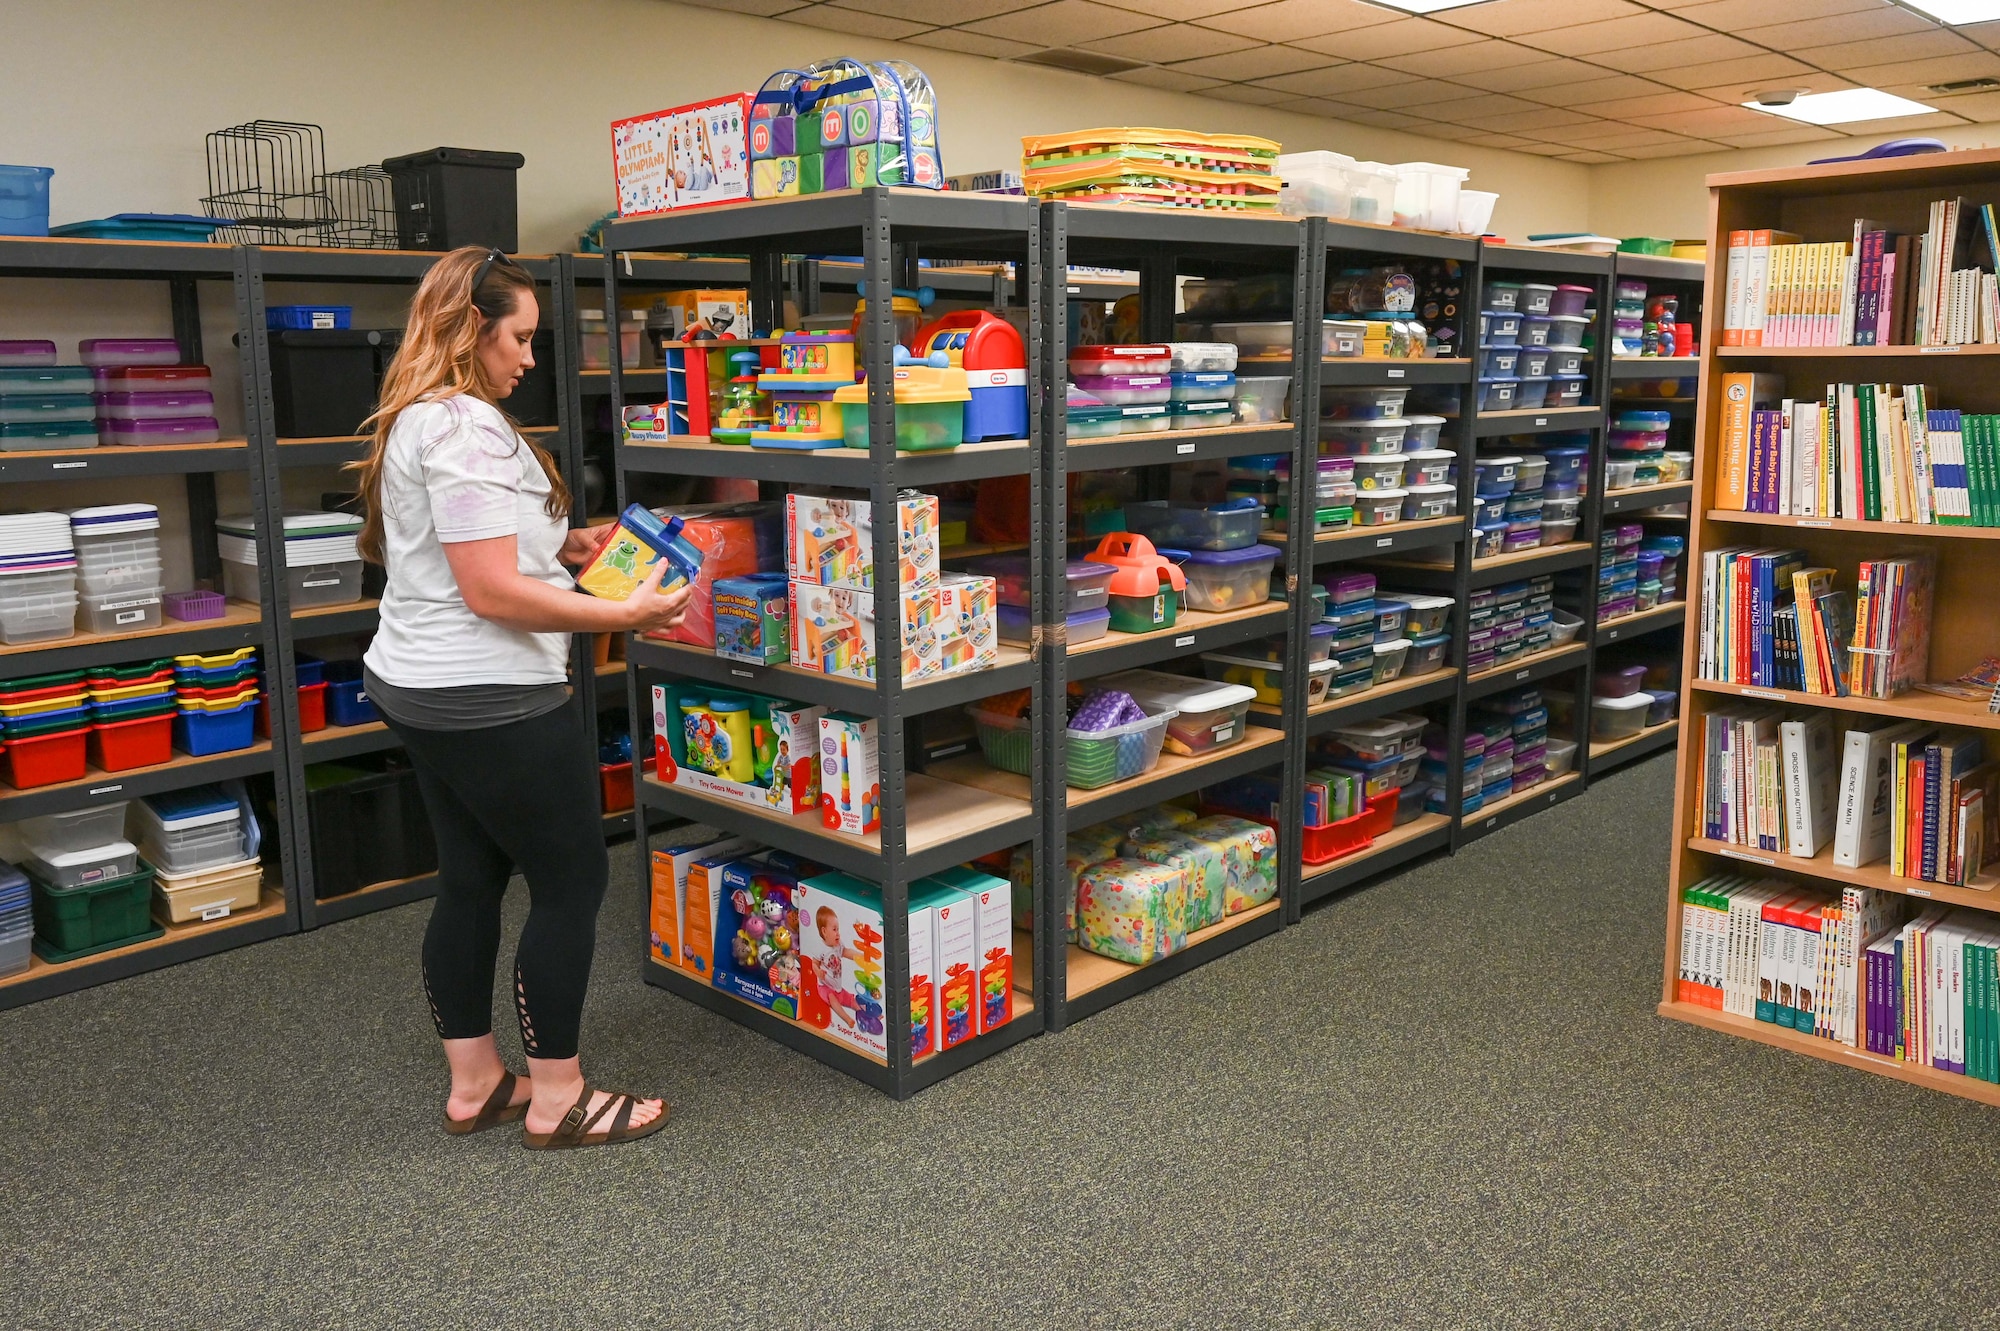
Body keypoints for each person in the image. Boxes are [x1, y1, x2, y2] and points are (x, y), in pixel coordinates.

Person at [352, 246, 688, 1150]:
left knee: (470, 877)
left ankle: (476, 1085)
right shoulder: (464, 429)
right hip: (489, 694)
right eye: (521, 339)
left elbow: (468, 554)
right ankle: (558, 1097)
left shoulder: (421, 419)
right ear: (472, 331)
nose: (529, 359)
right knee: (572, 880)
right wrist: (620, 610)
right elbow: (490, 593)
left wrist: (564, 546)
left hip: (418, 683)